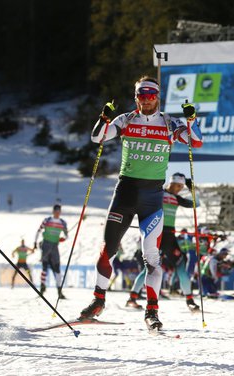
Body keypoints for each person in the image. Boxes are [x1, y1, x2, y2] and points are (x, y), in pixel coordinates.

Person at [79, 76, 203, 331]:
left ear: (157, 97)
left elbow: (196, 141)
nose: (146, 101)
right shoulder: (126, 119)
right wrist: (103, 118)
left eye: (150, 96)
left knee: (152, 259)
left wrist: (192, 121)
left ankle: (152, 311)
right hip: (124, 193)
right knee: (106, 251)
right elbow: (97, 138)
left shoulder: (170, 123)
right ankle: (98, 301)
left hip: (152, 198)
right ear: (136, 97)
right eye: (141, 96)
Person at [126, 172, 199, 312]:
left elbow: (196, 204)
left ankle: (190, 300)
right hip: (157, 233)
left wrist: (192, 189)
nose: (178, 189)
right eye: (177, 185)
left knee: (181, 267)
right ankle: (132, 298)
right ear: (170, 183)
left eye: (181, 186)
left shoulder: (177, 198)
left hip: (170, 238)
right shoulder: (158, 193)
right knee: (149, 268)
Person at [34, 204, 68, 298]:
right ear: (53, 211)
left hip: (55, 247)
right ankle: (42, 289)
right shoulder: (47, 220)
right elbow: (39, 231)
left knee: (57, 269)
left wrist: (63, 238)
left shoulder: (62, 223)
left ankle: (59, 291)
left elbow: (66, 235)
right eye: (56, 211)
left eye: (59, 211)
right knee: (44, 267)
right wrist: (35, 243)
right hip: (46, 245)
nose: (57, 213)